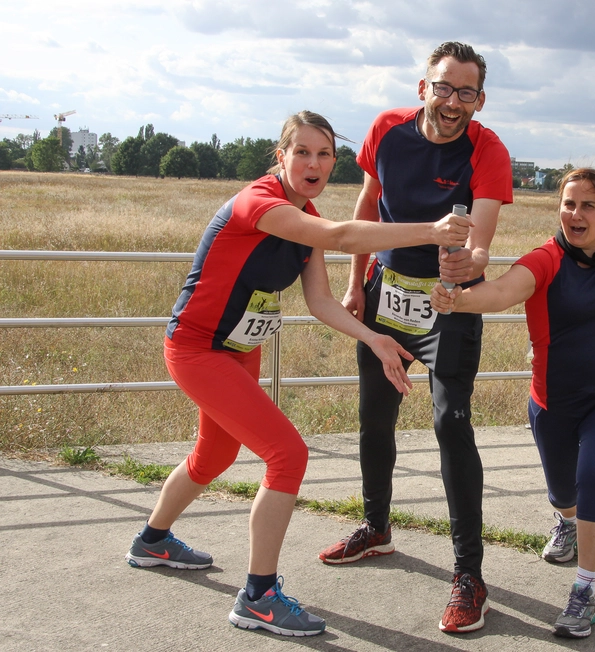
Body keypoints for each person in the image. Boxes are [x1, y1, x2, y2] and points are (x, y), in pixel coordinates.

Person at [124, 110, 471, 638]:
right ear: (279, 156)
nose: (314, 163)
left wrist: (376, 338)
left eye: (324, 153)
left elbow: (321, 302)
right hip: (196, 348)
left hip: (238, 348)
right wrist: (431, 229)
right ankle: (258, 597)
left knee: (213, 454)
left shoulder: (303, 214)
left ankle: (152, 541)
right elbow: (339, 233)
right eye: (302, 152)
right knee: (288, 454)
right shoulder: (261, 204)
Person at [430, 118, 595, 638]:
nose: (575, 214)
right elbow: (504, 292)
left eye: (588, 206)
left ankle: (584, 590)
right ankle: (567, 522)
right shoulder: (546, 259)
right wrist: (460, 300)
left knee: (594, 475)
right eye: (568, 204)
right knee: (564, 493)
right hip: (553, 403)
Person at [316, 41, 513, 634]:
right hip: (386, 292)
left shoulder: (489, 149)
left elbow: (481, 236)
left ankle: (469, 576)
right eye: (444, 88)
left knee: (450, 423)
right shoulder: (387, 130)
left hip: (449, 302)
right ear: (422, 87)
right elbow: (369, 206)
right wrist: (355, 285)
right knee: (374, 417)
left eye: (467, 93)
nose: (453, 102)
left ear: (480, 100)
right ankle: (376, 527)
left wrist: (468, 264)